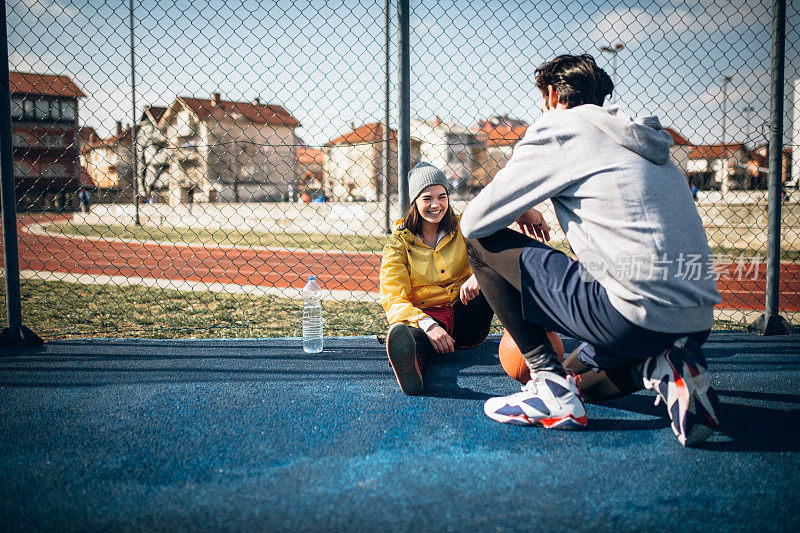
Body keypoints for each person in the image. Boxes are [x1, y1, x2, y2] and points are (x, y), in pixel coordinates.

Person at [461, 54, 721, 446]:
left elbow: (476, 221)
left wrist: (522, 206)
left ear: (551, 95)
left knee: (479, 245)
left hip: (631, 313)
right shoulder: (646, 140)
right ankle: (660, 366)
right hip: (695, 321)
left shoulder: (560, 128)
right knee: (576, 379)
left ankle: (548, 386)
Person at [380, 163, 494, 395]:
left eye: (442, 196)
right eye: (427, 198)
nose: (436, 205)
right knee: (409, 336)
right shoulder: (398, 245)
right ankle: (413, 364)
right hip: (428, 318)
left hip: (466, 316)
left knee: (497, 281)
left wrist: (480, 275)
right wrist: (429, 324)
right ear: (414, 202)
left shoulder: (464, 225)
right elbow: (393, 298)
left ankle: (528, 343)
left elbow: (496, 246)